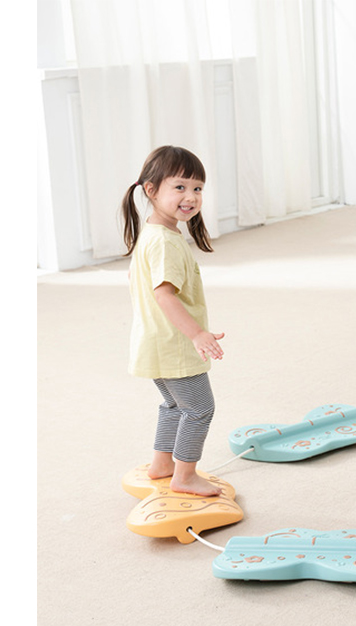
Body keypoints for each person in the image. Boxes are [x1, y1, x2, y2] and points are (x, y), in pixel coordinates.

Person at [121, 145, 226, 497]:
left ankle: (162, 465)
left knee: (174, 405)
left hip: (154, 343)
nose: (191, 197)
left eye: (197, 188)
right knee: (199, 409)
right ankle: (184, 477)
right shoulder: (165, 243)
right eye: (180, 187)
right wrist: (197, 334)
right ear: (151, 190)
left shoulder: (152, 233)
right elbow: (165, 295)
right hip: (175, 346)